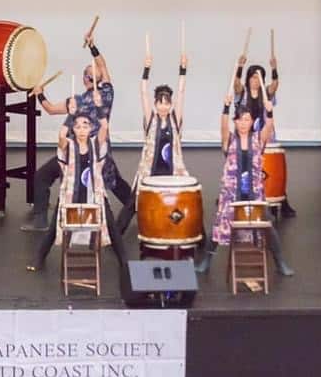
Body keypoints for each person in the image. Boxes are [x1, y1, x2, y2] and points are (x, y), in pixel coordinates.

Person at [20, 29, 133, 232]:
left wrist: (39, 94)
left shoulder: (77, 102)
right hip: (100, 151)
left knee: (43, 177)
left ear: (85, 80)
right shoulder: (108, 92)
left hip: (75, 152)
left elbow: (51, 109)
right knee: (113, 179)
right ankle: (135, 207)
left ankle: (41, 221)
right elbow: (103, 66)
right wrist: (92, 46)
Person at [194, 96, 294, 276]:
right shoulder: (229, 139)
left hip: (254, 193)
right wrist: (225, 107)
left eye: (247, 119)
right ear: (235, 121)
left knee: (267, 225)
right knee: (220, 226)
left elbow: (268, 127)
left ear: (252, 121)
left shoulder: (258, 139)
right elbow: (223, 127)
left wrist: (270, 111)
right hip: (232, 192)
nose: (243, 123)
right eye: (240, 119)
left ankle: (280, 262)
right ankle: (206, 261)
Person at [27, 100, 127, 272]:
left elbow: (104, 126)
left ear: (90, 129)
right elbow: (61, 135)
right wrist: (71, 114)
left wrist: (97, 106)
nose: (81, 130)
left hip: (94, 195)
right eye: (78, 127)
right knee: (53, 228)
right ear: (73, 129)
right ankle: (39, 259)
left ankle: (124, 261)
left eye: (85, 126)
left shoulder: (96, 144)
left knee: (110, 225)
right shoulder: (69, 146)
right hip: (70, 194)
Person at [116, 49, 189, 234]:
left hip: (173, 170)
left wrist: (183, 70)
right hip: (150, 170)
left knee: (183, 201)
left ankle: (197, 237)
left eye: (167, 102)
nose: (164, 106)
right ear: (156, 104)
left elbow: (181, 93)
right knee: (133, 203)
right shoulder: (151, 120)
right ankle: (115, 236)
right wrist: (146, 69)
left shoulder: (175, 119)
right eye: (160, 102)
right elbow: (143, 92)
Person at [232, 49, 296, 217]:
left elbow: (275, 86)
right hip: (246, 136)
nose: (255, 80)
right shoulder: (242, 93)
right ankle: (232, 195)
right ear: (249, 77)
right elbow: (236, 84)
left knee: (269, 168)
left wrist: (274, 68)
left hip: (264, 135)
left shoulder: (266, 93)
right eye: (253, 76)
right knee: (239, 168)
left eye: (258, 77)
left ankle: (280, 199)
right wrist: (240, 66)